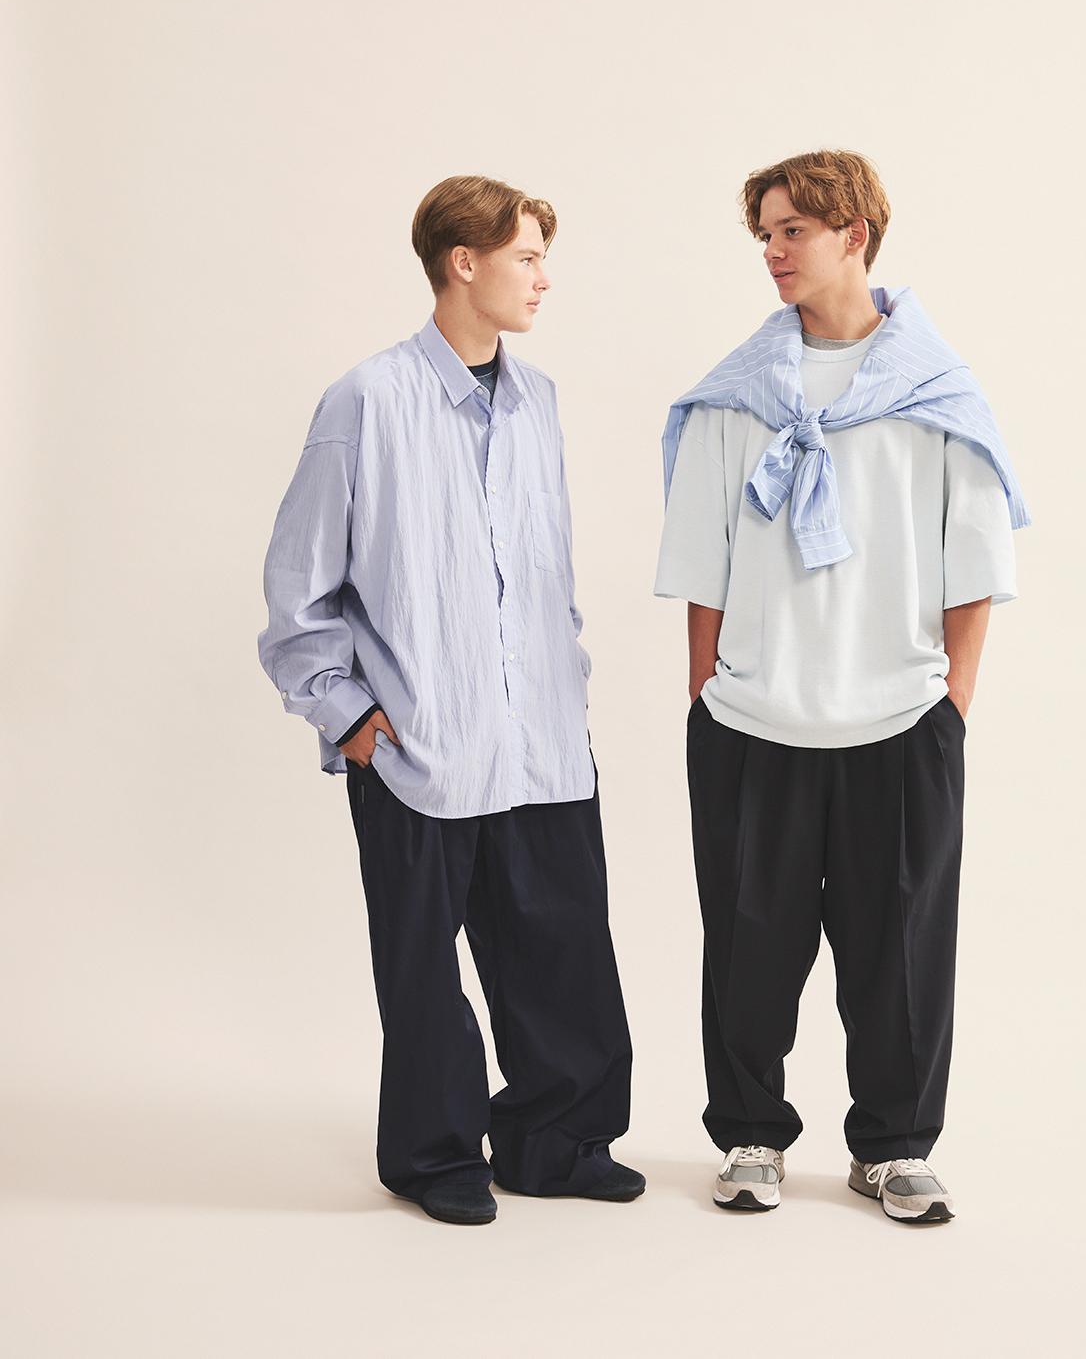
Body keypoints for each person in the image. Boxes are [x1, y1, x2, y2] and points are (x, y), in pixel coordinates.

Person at [259, 174, 642, 1225]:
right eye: (528, 258)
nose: (543, 279)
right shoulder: (365, 401)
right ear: (462, 263)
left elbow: (545, 567)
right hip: (419, 743)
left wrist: (563, 684)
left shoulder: (539, 399)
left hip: (541, 740)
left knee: (563, 947)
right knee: (424, 972)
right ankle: (438, 1159)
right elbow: (299, 587)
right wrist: (347, 716)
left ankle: (557, 1143)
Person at [654, 150, 1029, 1222]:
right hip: (752, 721)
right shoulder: (735, 398)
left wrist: (949, 705)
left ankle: (895, 1147)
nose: (773, 253)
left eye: (792, 232)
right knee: (747, 946)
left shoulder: (939, 396)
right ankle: (752, 1136)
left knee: (901, 949)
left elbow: (974, 567)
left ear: (853, 234)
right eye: (764, 235)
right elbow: (703, 565)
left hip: (901, 722)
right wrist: (708, 696)